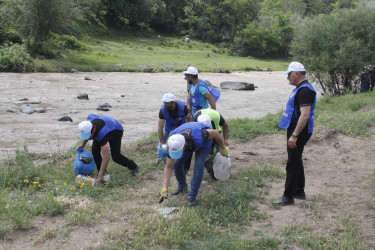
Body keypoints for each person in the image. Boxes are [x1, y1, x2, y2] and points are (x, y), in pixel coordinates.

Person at [273, 62, 316, 206]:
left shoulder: (305, 91)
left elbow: (305, 115)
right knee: (296, 159)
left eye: (289, 75)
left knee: (292, 163)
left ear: (296, 74)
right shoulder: (301, 89)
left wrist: (294, 135)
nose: (287, 78)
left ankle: (288, 197)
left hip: (299, 130)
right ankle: (299, 191)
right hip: (296, 128)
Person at [158, 120, 229, 206]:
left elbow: (215, 133)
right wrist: (164, 187)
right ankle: (182, 187)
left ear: (183, 146)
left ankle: (192, 196)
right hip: (188, 141)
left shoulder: (201, 135)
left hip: (202, 143)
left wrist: (223, 148)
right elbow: (168, 167)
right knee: (177, 164)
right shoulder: (172, 144)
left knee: (198, 166)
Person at [77, 114, 139, 183]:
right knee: (95, 151)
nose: (87, 138)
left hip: (116, 130)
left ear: (93, 130)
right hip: (105, 125)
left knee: (116, 156)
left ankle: (133, 166)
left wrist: (99, 175)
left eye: (88, 136)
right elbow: (87, 134)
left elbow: (106, 157)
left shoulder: (102, 134)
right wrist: (82, 144)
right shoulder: (88, 122)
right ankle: (103, 174)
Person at [192, 109, 229, 179]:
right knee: (206, 158)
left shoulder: (216, 118)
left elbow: (225, 125)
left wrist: (225, 140)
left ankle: (220, 170)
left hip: (215, 132)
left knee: (216, 152)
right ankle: (215, 174)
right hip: (201, 135)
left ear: (210, 123)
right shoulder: (194, 121)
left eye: (207, 128)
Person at [157, 93, 192, 163]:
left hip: (181, 125)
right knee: (162, 139)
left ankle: (180, 156)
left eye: (166, 103)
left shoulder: (183, 107)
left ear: (173, 103)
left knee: (180, 141)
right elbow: (160, 127)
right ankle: (159, 157)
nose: (165, 104)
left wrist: (190, 130)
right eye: (164, 102)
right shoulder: (162, 110)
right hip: (169, 125)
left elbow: (189, 119)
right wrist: (163, 143)